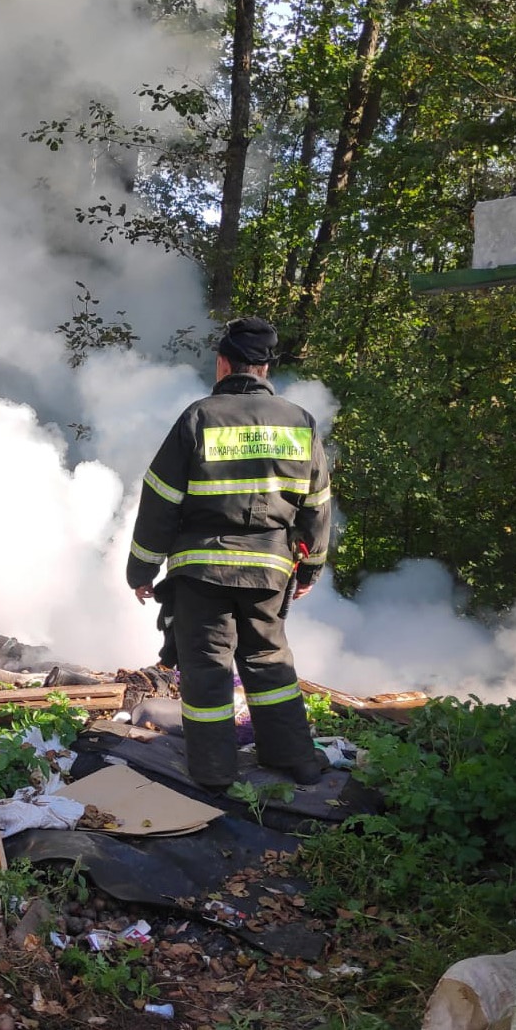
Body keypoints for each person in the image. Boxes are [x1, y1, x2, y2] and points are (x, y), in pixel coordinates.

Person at [126, 317, 332, 788]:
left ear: (223, 363)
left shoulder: (199, 416)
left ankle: (215, 772)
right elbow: (316, 505)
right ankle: (294, 759)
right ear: (266, 366)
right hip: (270, 571)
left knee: (207, 668)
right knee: (269, 662)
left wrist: (141, 568)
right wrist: (310, 568)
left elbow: (159, 499)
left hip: (203, 573)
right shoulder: (300, 422)